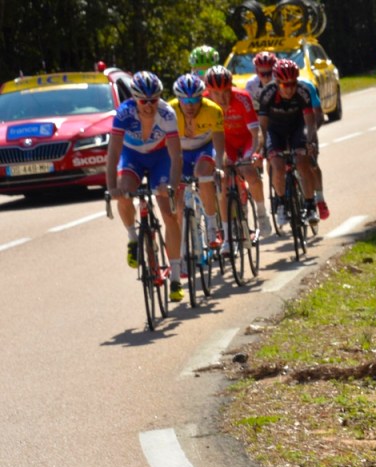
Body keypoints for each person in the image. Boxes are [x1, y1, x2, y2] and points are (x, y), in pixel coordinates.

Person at [105, 71, 184, 302]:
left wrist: (171, 185)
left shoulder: (167, 113)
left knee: (168, 213)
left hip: (160, 158)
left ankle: (176, 277)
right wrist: (112, 188)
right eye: (143, 100)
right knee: (124, 190)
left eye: (154, 99)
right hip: (133, 157)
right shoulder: (124, 113)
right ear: (134, 99)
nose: (149, 105)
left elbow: (176, 155)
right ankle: (132, 238)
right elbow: (113, 153)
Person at [247, 52, 330, 220]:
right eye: (285, 85)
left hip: (297, 127)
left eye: (293, 84)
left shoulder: (303, 91)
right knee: (277, 165)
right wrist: (259, 149)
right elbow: (262, 126)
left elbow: (310, 122)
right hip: (274, 129)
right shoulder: (267, 93)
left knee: (302, 162)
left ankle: (310, 205)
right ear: (277, 83)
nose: (290, 88)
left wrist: (311, 143)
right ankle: (282, 203)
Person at [203, 65, 272, 252]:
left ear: (231, 86)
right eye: (216, 93)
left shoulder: (243, 98)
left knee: (249, 172)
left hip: (245, 140)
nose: (223, 98)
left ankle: (261, 213)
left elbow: (256, 133)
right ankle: (226, 235)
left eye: (226, 92)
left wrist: (256, 153)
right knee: (223, 183)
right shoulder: (203, 102)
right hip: (224, 144)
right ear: (208, 92)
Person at [168, 73, 225, 250]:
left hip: (204, 149)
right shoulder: (169, 112)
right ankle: (183, 245)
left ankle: (211, 226)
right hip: (180, 152)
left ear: (202, 97)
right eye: (185, 101)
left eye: (194, 101)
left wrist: (220, 166)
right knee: (177, 196)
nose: (190, 106)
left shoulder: (213, 110)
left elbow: (219, 144)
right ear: (178, 100)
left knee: (203, 175)